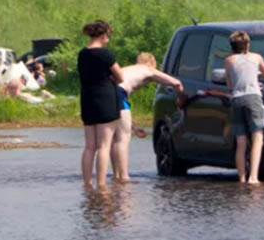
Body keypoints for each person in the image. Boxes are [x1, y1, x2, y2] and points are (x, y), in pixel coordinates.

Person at [110, 52, 184, 181]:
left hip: (106, 93)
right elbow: (176, 83)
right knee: (123, 139)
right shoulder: (147, 69)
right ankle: (124, 177)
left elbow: (120, 114)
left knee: (114, 138)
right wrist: (180, 98)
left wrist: (134, 127)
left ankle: (116, 175)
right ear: (150, 63)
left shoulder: (129, 69)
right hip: (119, 93)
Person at [77, 20, 123, 188]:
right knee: (104, 146)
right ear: (104, 36)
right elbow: (120, 77)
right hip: (105, 99)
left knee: (89, 146)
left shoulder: (82, 54)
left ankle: (87, 184)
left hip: (87, 99)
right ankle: (102, 184)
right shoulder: (106, 54)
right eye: (108, 36)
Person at [225, 31, 264, 184]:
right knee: (258, 138)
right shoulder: (256, 57)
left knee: (241, 141)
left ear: (232, 46)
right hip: (253, 98)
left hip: (237, 99)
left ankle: (241, 177)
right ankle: (253, 177)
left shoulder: (229, 60)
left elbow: (230, 85)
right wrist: (255, 78)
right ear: (247, 44)